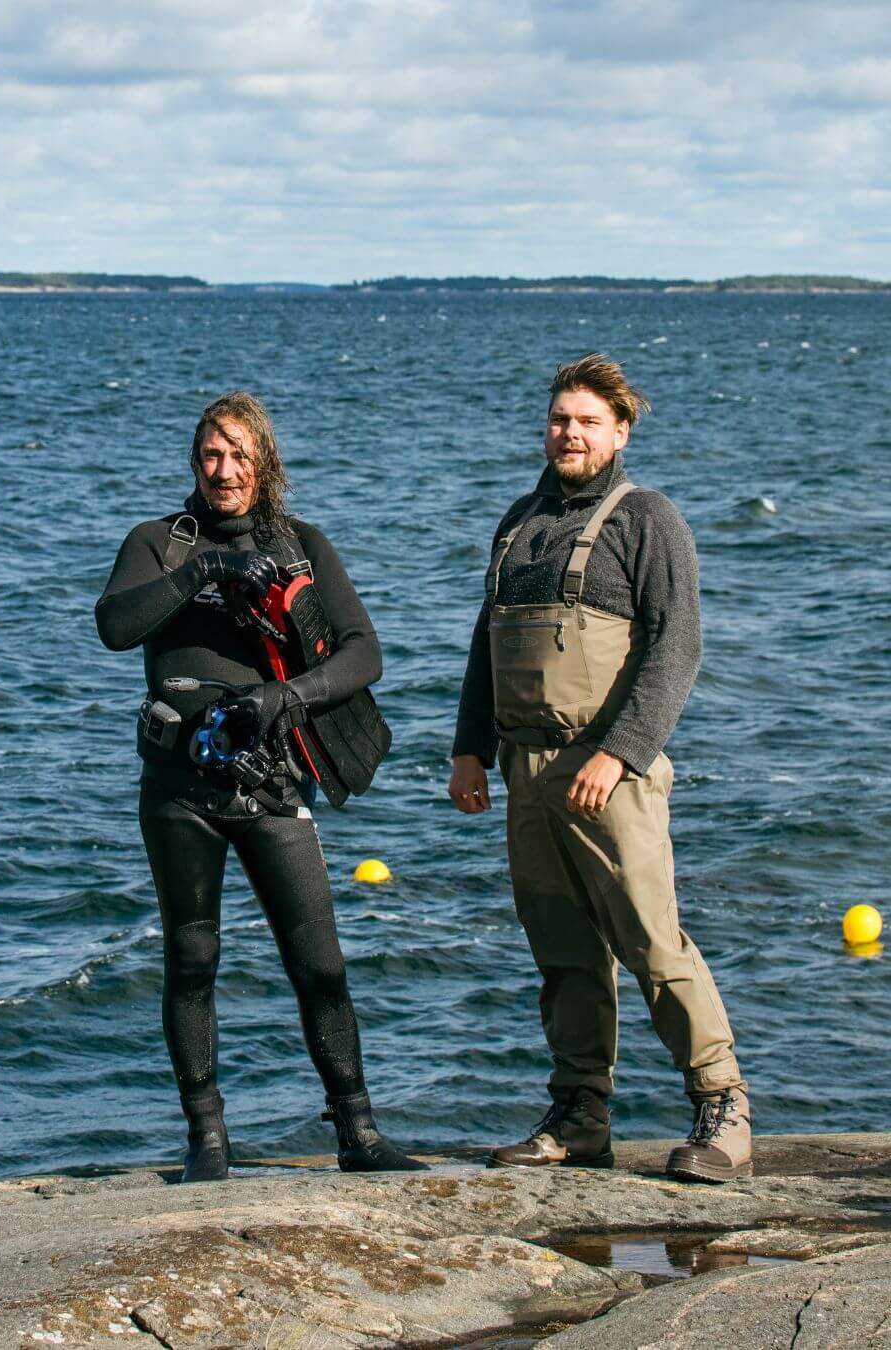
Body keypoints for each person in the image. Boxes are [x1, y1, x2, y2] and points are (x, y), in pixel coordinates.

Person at [96, 391, 424, 1183]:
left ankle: (358, 1132)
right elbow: (114, 625)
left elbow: (363, 653)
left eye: (240, 454)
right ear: (194, 464)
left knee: (320, 965)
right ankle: (208, 1141)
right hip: (178, 789)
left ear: (264, 463)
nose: (224, 470)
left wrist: (286, 697)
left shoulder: (302, 545)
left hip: (272, 784)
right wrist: (204, 567)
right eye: (212, 454)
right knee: (192, 960)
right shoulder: (157, 543)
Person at [449, 354, 751, 1183]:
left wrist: (619, 752)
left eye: (586, 421)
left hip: (608, 770)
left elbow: (676, 647)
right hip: (524, 772)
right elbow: (487, 641)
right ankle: (580, 1112)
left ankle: (723, 1108)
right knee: (563, 950)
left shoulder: (646, 520)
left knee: (653, 941)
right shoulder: (517, 522)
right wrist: (469, 748)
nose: (568, 433)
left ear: (620, 432)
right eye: (558, 418)